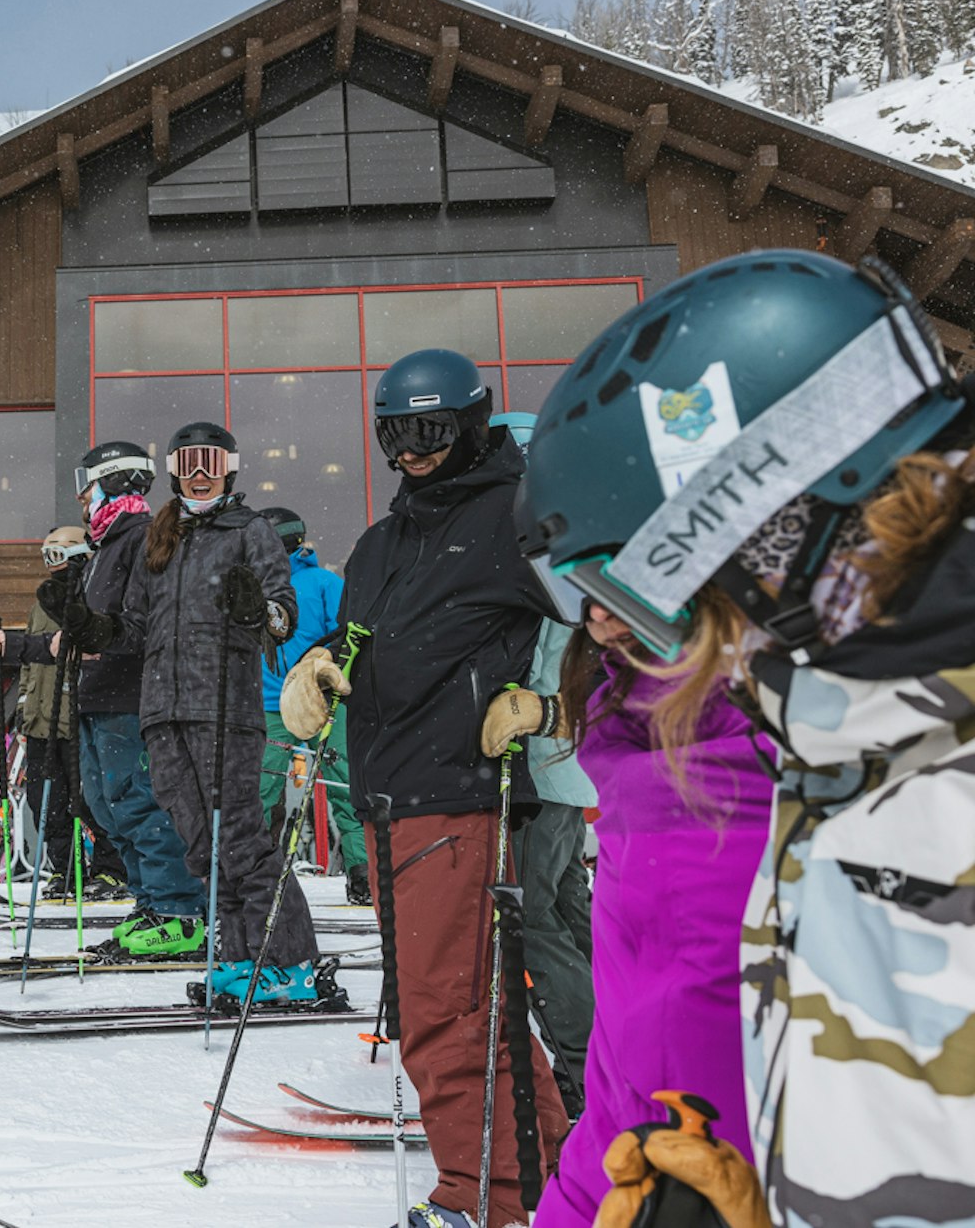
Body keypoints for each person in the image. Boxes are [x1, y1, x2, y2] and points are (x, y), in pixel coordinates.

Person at [519, 249, 975, 1226]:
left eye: (636, 579)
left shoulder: (921, 786)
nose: (609, 623)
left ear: (764, 531)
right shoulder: (840, 750)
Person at [282, 349, 569, 1228]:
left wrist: (552, 708)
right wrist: (321, 665)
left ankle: (484, 1199)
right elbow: (365, 640)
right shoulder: (382, 542)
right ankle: (552, 1182)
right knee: (469, 1007)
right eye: (393, 435)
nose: (411, 451)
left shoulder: (518, 518)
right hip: (390, 800)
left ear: (473, 425)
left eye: (432, 431)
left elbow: (617, 622)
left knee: (442, 1013)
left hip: (460, 795)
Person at [534, 602, 769, 1227]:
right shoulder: (627, 750)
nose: (597, 611)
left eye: (616, 572)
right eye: (570, 585)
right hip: (638, 1156)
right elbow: (624, 1086)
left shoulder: (785, 770)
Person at [66, 422, 313, 999]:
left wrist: (258, 611)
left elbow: (283, 615)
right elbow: (135, 625)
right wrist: (93, 628)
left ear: (230, 468)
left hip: (224, 705)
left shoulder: (250, 530)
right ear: (174, 471)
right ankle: (239, 956)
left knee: (241, 837)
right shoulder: (162, 534)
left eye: (211, 462)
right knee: (201, 845)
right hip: (162, 711)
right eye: (187, 463)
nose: (200, 474)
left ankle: (288, 961)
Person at [47, 441, 207, 957]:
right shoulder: (103, 546)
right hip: (97, 695)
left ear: (113, 481)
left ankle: (178, 911)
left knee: (139, 804)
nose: (81, 496)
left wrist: (98, 632)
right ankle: (151, 902)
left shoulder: (143, 539)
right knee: (105, 807)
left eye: (87, 484)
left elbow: (145, 624)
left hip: (131, 696)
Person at [487, 411, 594, 1098]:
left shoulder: (534, 550)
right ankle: (616, 1049)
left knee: (535, 917)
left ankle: (585, 1069)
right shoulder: (565, 537)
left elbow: (540, 663)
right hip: (564, 767)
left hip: (542, 766)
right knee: (566, 908)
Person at [0, 525, 127, 898]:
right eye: (47, 558)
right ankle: (66, 869)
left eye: (58, 557)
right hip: (42, 721)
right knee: (47, 802)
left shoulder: (95, 598)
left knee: (92, 800)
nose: (52, 566)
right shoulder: (40, 605)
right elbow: (32, 660)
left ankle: (111, 869)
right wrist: (24, 705)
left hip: (77, 718)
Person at [254, 506, 365, 904]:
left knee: (345, 785)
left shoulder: (322, 583)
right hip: (269, 704)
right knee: (261, 791)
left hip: (322, 701)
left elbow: (347, 634)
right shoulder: (250, 587)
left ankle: (363, 872)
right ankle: (257, 875)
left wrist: (328, 669)